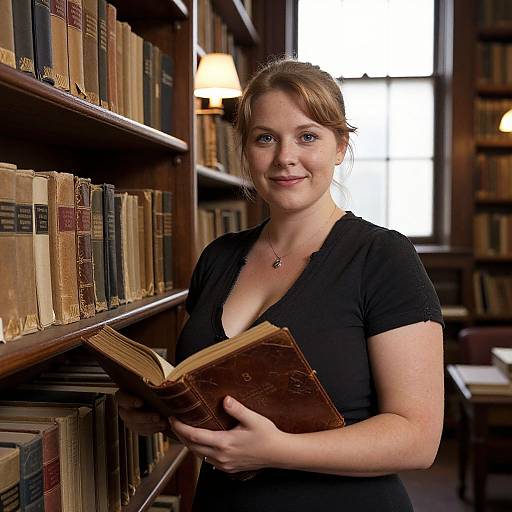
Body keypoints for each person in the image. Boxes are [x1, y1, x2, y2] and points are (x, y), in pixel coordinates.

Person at [117, 58, 445, 511]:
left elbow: (418, 439)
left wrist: (276, 451)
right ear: (246, 149)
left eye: (307, 136)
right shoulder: (219, 256)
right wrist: (159, 413)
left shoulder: (383, 258)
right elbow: (212, 395)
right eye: (265, 138)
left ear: (339, 146)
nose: (285, 157)